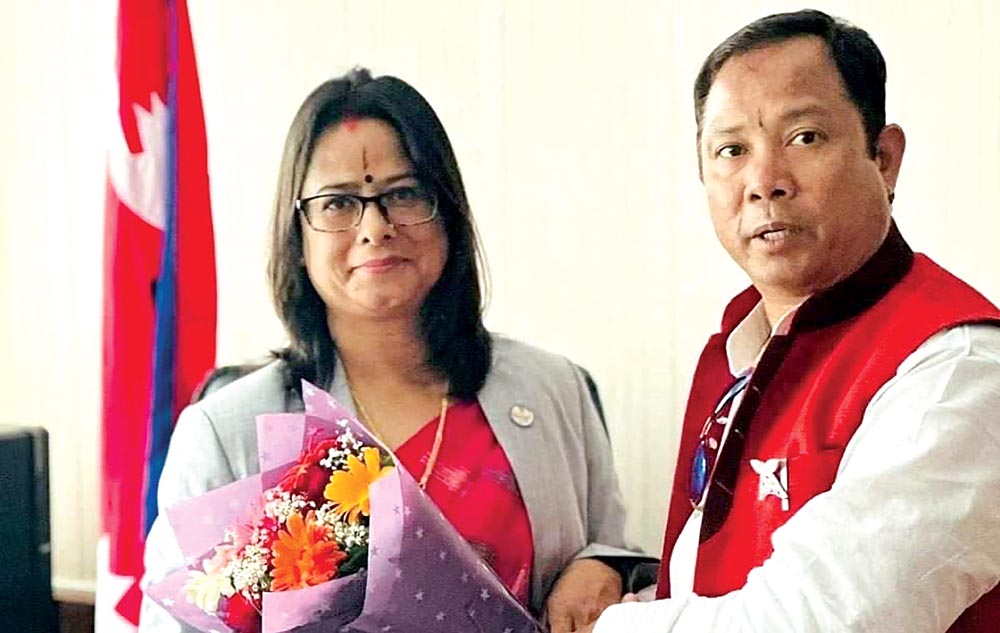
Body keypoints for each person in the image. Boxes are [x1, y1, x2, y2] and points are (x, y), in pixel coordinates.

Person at [139, 67, 650, 633]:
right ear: (297, 234)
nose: (375, 227)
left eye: (403, 194)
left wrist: (601, 566)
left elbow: (615, 553)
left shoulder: (555, 388)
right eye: (338, 203)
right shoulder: (225, 430)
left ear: (448, 212)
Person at [592, 9, 1000, 633]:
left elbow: (813, 620)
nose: (764, 182)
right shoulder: (738, 355)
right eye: (731, 150)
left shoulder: (959, 369)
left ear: (884, 158)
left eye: (804, 137)